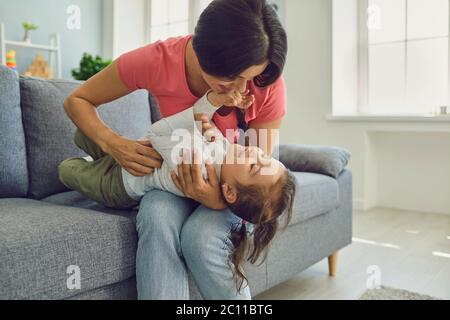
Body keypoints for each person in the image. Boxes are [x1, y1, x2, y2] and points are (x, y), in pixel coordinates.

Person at [63, 0, 288, 299]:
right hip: (171, 181)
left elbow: (257, 171)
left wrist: (216, 200)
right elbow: (77, 100)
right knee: (157, 215)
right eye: (231, 78)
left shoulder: (265, 81)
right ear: (201, 51)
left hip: (235, 193)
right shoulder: (157, 61)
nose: (244, 89)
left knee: (201, 236)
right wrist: (112, 143)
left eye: (251, 78)